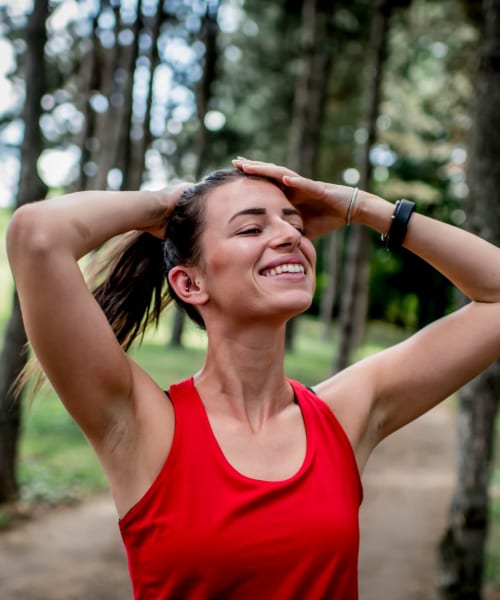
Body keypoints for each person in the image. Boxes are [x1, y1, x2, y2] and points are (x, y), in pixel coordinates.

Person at [6, 158, 500, 599]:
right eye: (249, 230)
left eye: (294, 224)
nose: (289, 236)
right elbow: (36, 233)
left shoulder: (345, 414)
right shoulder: (139, 423)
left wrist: (359, 206)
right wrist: (170, 204)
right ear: (189, 282)